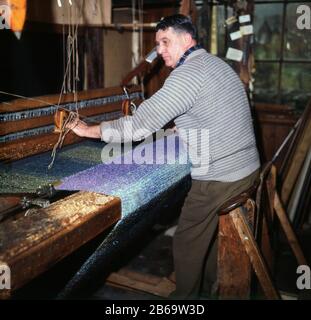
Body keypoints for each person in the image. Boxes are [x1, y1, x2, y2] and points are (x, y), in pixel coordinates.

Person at [68, 14, 260, 299]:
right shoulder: (216, 63)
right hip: (248, 169)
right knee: (202, 237)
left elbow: (137, 126)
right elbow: (214, 114)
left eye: (165, 42)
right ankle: (211, 286)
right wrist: (181, 128)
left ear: (186, 39)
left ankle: (186, 299)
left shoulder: (186, 75)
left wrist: (88, 130)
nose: (160, 50)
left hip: (221, 178)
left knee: (186, 239)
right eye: (157, 44)